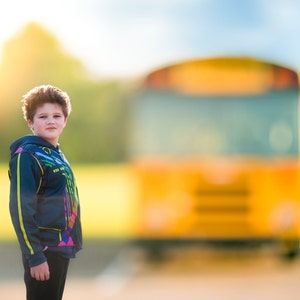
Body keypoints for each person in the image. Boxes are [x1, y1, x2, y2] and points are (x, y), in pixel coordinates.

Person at [9, 84, 82, 300]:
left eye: (56, 115)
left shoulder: (54, 153)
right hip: (44, 249)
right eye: (43, 116)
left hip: (60, 246)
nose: (51, 120)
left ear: (65, 120)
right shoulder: (27, 156)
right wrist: (35, 256)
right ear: (30, 122)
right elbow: (21, 209)